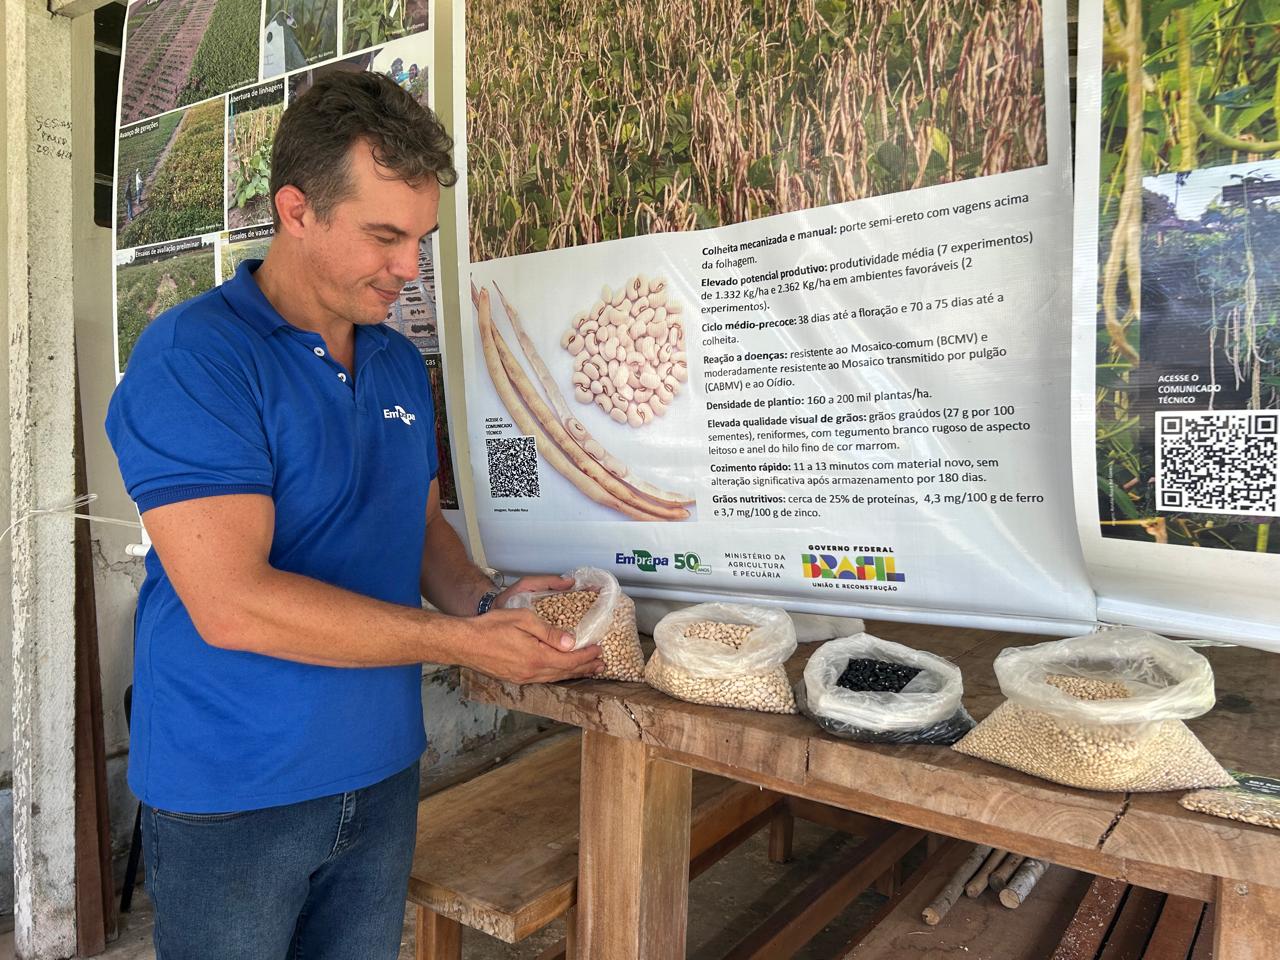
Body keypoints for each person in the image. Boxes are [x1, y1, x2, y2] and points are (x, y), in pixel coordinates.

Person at [105, 70, 603, 960]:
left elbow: (417, 533)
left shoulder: (395, 363)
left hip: (380, 770)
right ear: (296, 211)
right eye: (384, 235)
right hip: (235, 790)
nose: (410, 268)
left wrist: (490, 605)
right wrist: (461, 645)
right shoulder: (195, 357)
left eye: (421, 239)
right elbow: (231, 602)